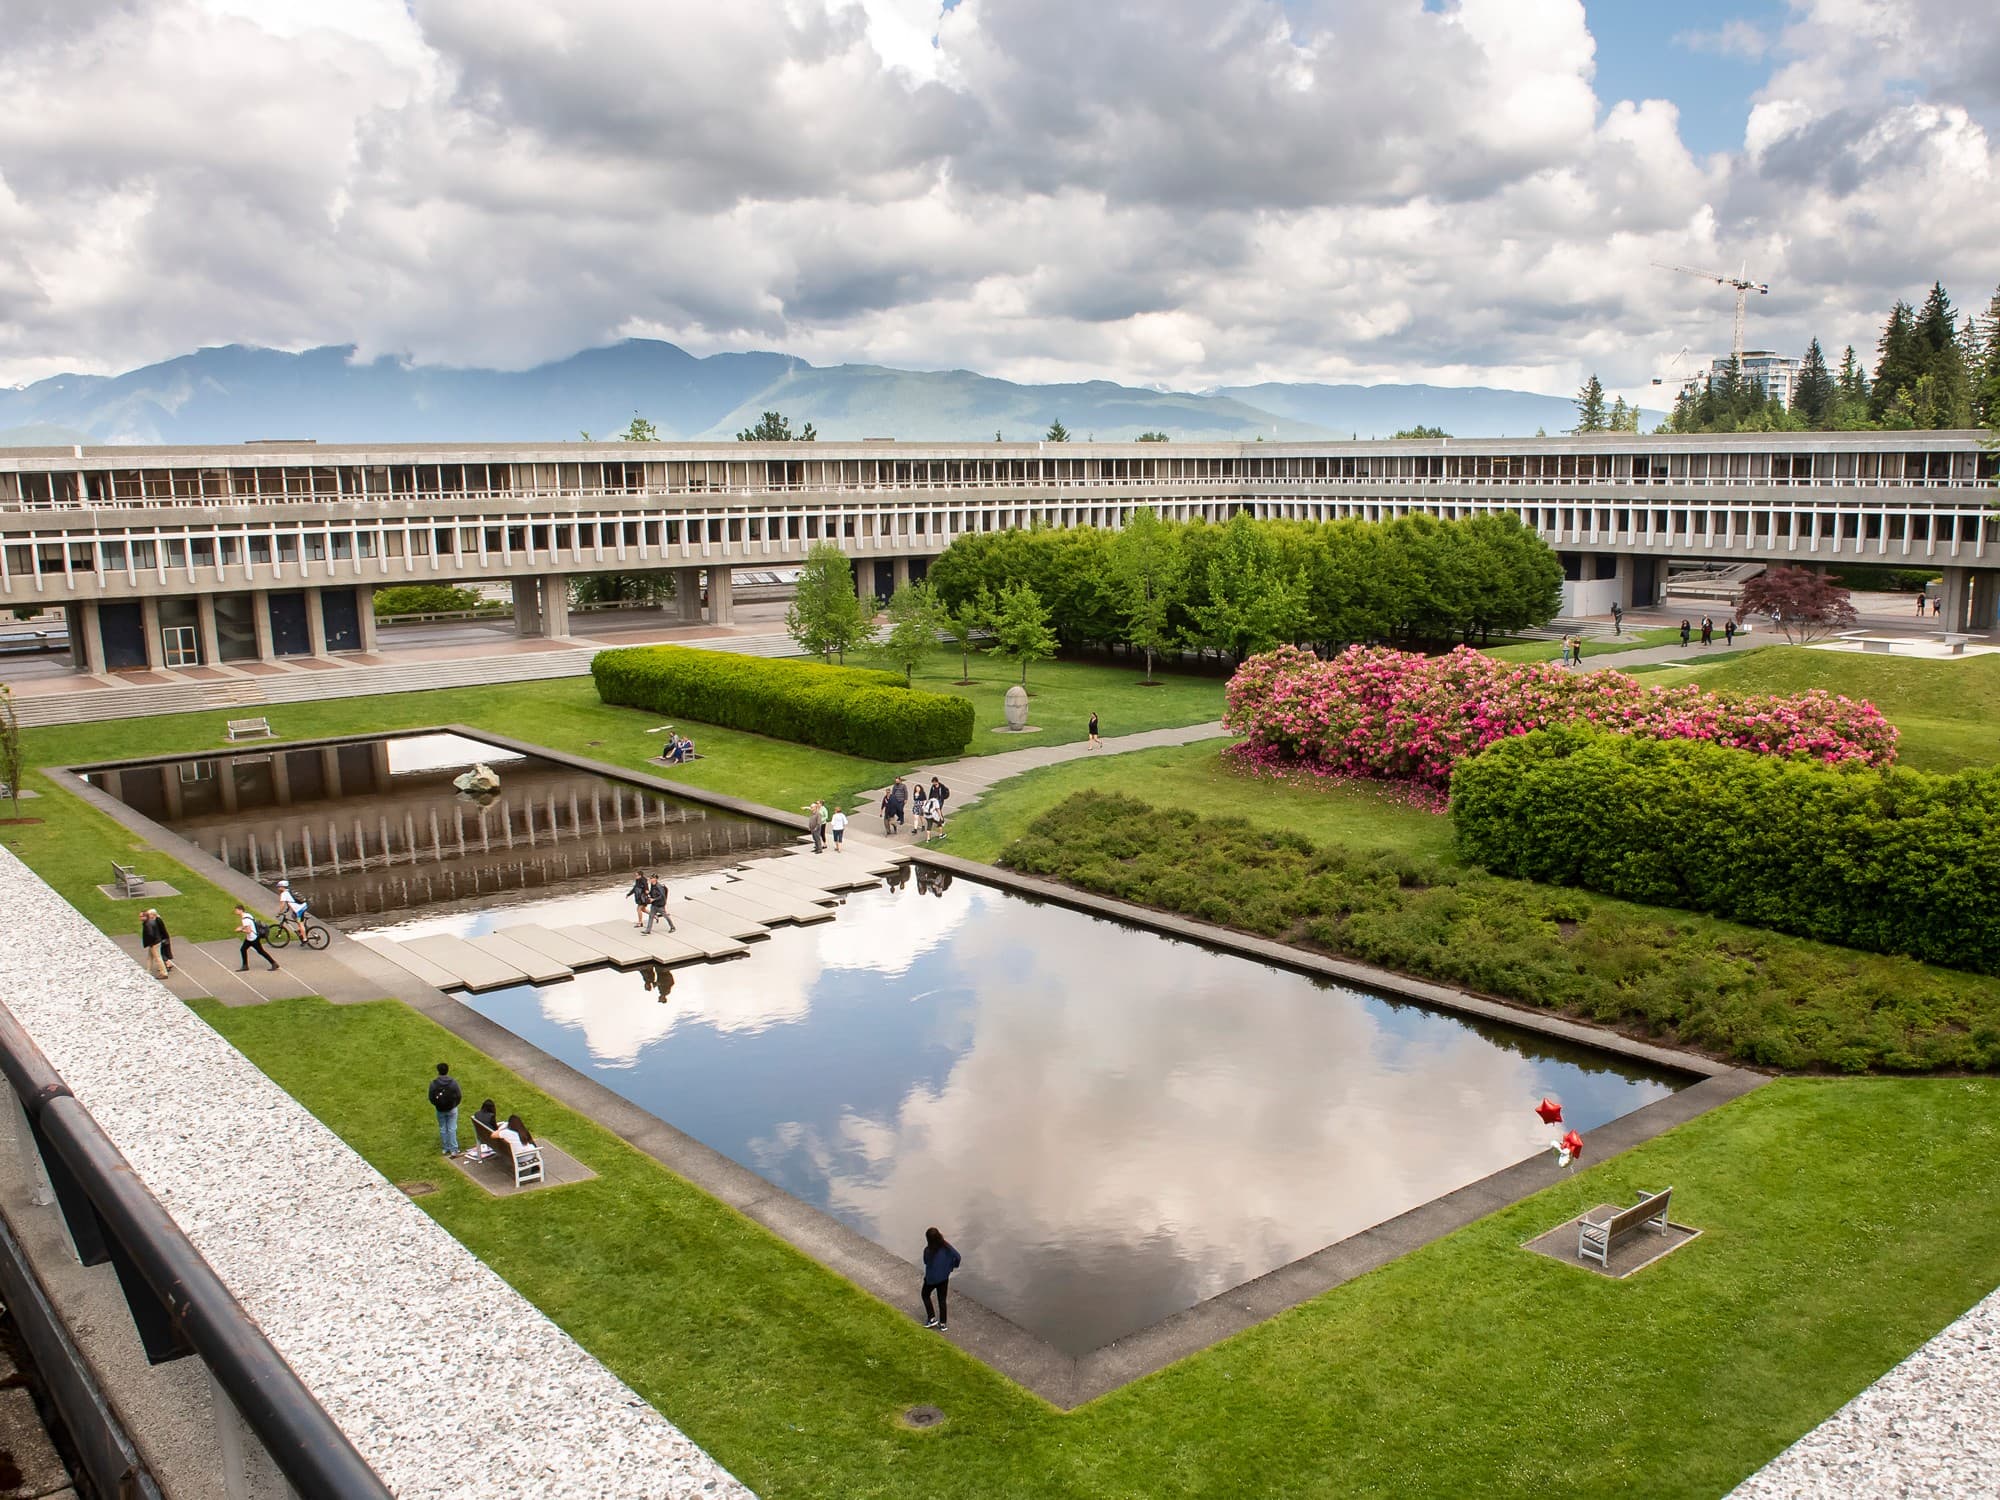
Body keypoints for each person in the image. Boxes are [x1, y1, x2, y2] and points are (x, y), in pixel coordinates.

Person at [920, 1226, 960, 1331]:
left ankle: (932, 1318)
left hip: (931, 1279)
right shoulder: (946, 1247)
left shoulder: (928, 1251)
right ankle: (943, 1324)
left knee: (925, 1295)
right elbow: (958, 1256)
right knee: (942, 1300)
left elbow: (925, 1262)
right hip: (944, 1278)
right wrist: (953, 1266)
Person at [429, 1062, 462, 1157]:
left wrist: (437, 1105)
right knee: (452, 1128)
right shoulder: (453, 1083)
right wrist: (455, 1104)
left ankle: (445, 1148)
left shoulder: (434, 1083)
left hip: (440, 1109)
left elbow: (431, 1097)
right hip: (452, 1108)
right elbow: (459, 1095)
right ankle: (454, 1149)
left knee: (443, 1128)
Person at [234, 904, 278, 972]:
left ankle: (274, 963)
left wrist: (240, 930)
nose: (235, 911)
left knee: (261, 951)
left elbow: (248, 931)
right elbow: (249, 924)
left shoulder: (245, 920)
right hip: (250, 938)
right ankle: (245, 965)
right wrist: (242, 927)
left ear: (241, 910)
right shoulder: (248, 915)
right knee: (243, 949)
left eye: (236, 910)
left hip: (253, 938)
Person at [140, 908, 174, 978]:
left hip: (154, 943)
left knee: (158, 958)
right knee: (150, 957)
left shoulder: (148, 924)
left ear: (145, 916)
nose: (140, 918)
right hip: (154, 942)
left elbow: (151, 935)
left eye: (141, 916)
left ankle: (164, 973)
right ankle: (148, 970)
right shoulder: (152, 921)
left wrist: (151, 943)